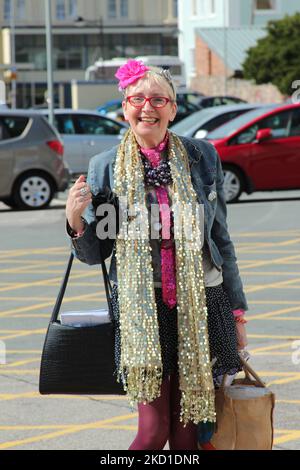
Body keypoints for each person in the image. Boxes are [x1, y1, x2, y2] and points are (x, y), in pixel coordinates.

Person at [65, 59, 248, 451]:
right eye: (137, 98)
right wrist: (77, 222)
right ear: (125, 106)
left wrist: (237, 313)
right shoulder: (108, 167)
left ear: (173, 108)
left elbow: (220, 239)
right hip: (141, 309)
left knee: (187, 434)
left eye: (158, 99)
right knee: (153, 430)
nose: (147, 107)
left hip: (202, 299)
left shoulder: (201, 157)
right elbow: (99, 249)